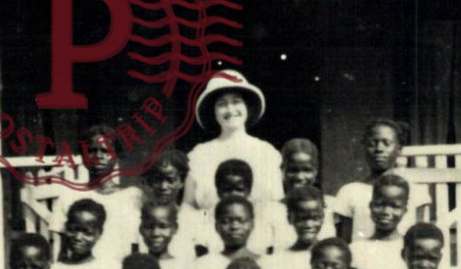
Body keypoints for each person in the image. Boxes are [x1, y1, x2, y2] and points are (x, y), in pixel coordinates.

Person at [184, 72, 283, 212]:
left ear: (246, 106)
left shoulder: (266, 152)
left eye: (236, 102)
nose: (230, 110)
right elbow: (188, 206)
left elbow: (278, 204)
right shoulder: (199, 155)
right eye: (222, 104)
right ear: (214, 111)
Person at [49, 125, 145, 266]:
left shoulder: (131, 197)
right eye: (92, 151)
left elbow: (139, 245)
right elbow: (60, 250)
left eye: (105, 151)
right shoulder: (70, 196)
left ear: (116, 156)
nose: (98, 156)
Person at [333, 118, 431, 243]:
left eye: (387, 143)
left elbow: (419, 241)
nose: (379, 148)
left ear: (399, 149)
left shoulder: (416, 192)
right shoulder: (350, 192)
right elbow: (343, 243)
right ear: (365, 148)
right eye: (372, 143)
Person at [351, 173, 410, 269]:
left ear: (404, 210)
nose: (386, 212)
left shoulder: (411, 248)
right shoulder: (356, 249)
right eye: (380, 205)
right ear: (371, 206)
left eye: (395, 206)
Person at [264, 139, 336, 252]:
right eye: (293, 170)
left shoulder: (332, 206)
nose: (300, 177)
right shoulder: (270, 210)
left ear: (316, 171)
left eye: (307, 170)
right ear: (282, 169)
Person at [268, 185, 326, 269]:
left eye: (315, 218)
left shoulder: (330, 255)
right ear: (290, 218)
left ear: (323, 217)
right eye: (302, 219)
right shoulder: (279, 259)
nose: (309, 224)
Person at [141, 148, 206, 258]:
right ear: (149, 182)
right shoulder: (140, 218)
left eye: (170, 180)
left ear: (181, 182)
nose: (163, 187)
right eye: (157, 180)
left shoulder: (193, 220)